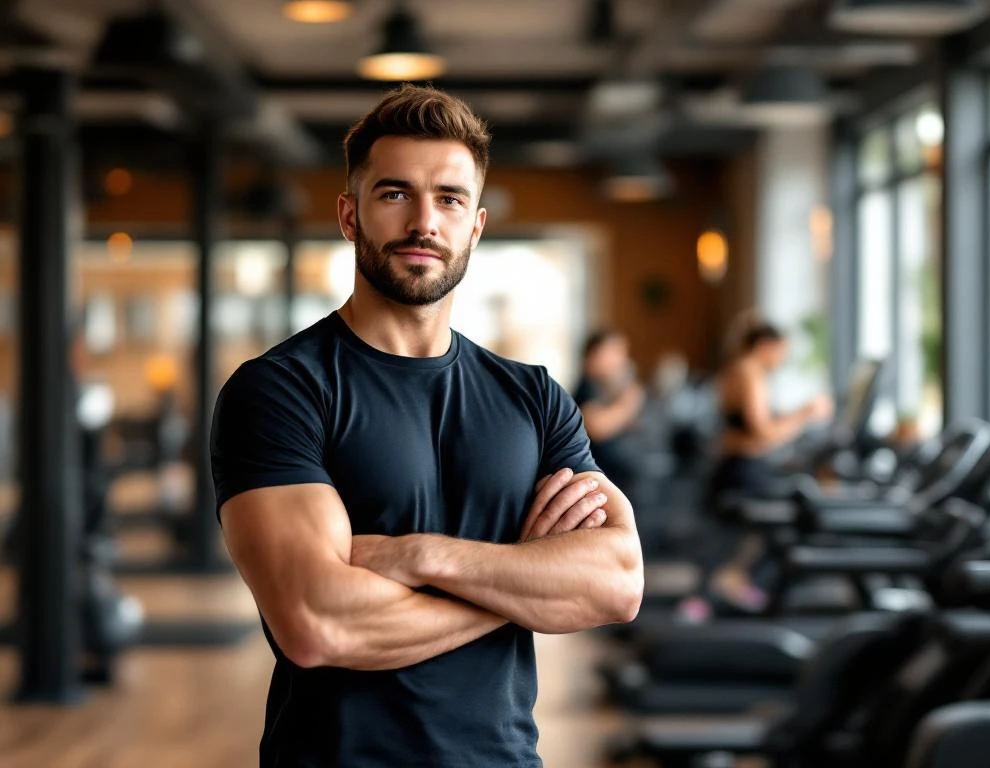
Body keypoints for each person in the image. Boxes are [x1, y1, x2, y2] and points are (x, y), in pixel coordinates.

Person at [209, 85, 644, 768]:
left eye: (449, 198)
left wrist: (421, 556)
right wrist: (525, 588)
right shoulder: (279, 391)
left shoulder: (533, 396)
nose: (423, 222)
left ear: (475, 225)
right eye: (394, 195)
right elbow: (317, 624)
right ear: (350, 216)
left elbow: (615, 582)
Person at [685, 320, 832, 616]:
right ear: (766, 346)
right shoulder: (749, 372)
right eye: (780, 353)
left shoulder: (738, 368)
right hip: (743, 469)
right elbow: (763, 432)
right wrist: (805, 413)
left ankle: (733, 587)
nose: (781, 360)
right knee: (795, 519)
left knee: (746, 538)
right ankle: (739, 587)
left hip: (736, 467)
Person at [573, 329, 646, 494]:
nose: (622, 360)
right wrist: (628, 404)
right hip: (603, 477)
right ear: (595, 354)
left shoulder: (606, 386)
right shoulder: (588, 385)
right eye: (616, 352)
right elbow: (596, 426)